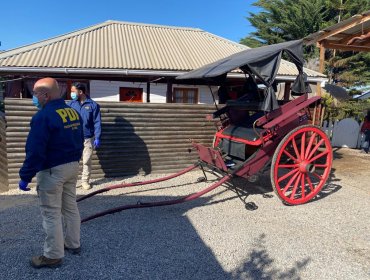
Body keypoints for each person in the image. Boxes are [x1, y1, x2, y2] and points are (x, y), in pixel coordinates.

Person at [18, 77, 84, 268]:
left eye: (36, 93)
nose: (34, 97)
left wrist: (25, 176)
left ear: (45, 95)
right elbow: (79, 139)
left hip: (52, 170)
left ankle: (53, 256)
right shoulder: (72, 112)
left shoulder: (43, 117)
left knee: (51, 213)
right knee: (70, 207)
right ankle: (73, 244)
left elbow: (35, 150)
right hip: (72, 167)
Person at [69, 82, 102, 190]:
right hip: (74, 138)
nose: (71, 93)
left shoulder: (93, 105)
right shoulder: (71, 104)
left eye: (73, 91)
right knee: (73, 161)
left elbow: (97, 122)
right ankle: (71, 182)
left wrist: (97, 137)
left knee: (87, 161)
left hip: (88, 138)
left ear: (81, 92)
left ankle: (85, 181)